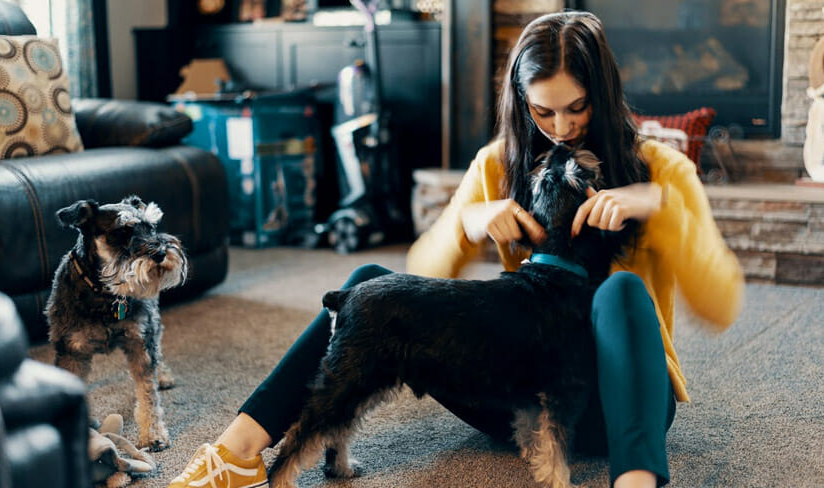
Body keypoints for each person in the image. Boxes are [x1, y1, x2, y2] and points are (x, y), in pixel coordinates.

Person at [168, 11, 744, 488]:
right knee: (371, 287)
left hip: (614, 402)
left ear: (604, 94)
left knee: (619, 288)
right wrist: (467, 221)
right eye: (543, 112)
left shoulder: (660, 168)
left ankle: (635, 480)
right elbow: (426, 269)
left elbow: (720, 303)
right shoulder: (499, 162)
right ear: (520, 100)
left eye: (578, 108)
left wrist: (659, 207)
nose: (562, 128)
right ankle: (239, 450)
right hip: (518, 393)